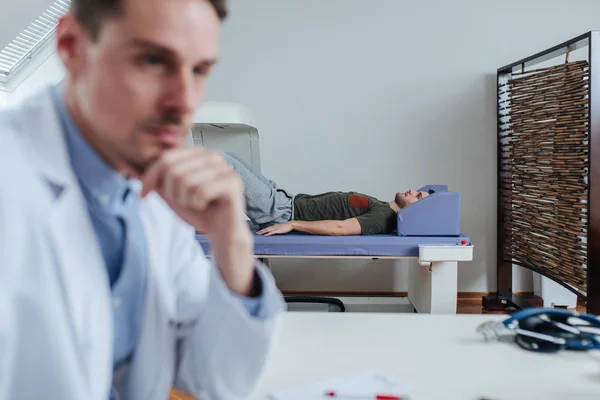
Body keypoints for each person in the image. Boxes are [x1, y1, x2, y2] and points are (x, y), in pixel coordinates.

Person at [0, 1, 286, 399]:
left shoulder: (151, 198)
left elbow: (210, 383)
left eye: (199, 70)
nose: (184, 101)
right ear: (71, 46)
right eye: (153, 60)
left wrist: (233, 244)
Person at [223, 153, 433, 236]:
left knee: (223, 161)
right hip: (283, 199)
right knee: (232, 157)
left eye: (418, 197)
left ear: (417, 209)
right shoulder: (381, 206)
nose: (412, 191)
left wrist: (293, 224)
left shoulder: (381, 218)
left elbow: (340, 228)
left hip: (279, 212)